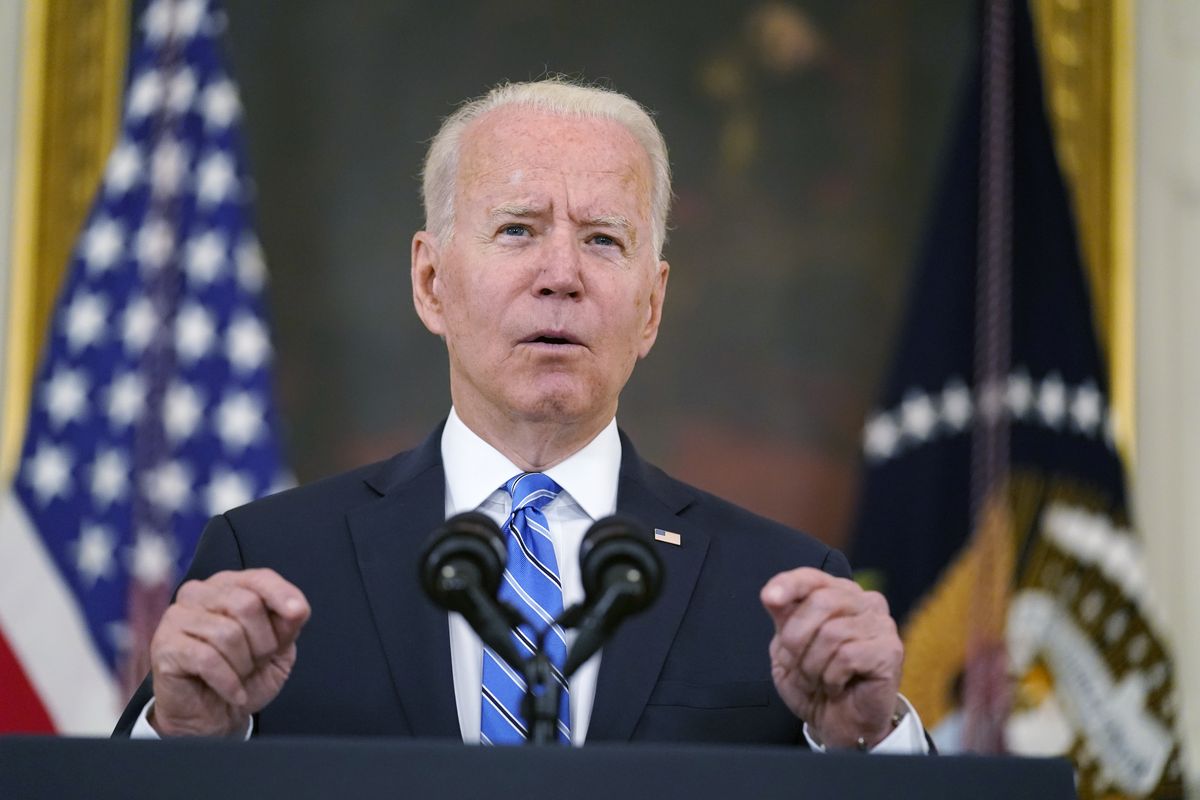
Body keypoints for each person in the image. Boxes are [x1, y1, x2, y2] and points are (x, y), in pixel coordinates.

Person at [114, 79, 925, 752]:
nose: (561, 275)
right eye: (517, 229)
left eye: (604, 240)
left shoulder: (778, 589)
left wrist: (871, 742)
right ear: (432, 283)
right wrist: (187, 734)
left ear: (652, 307)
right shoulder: (273, 565)